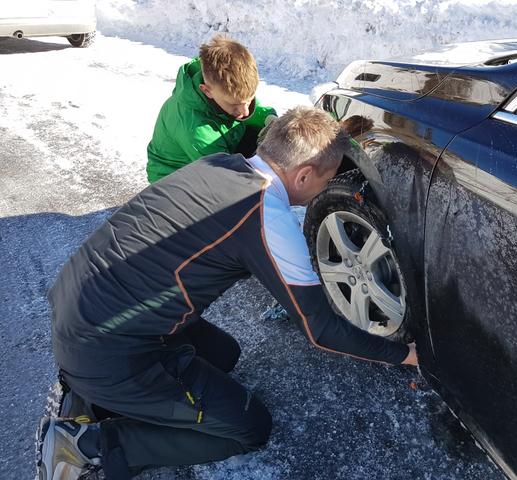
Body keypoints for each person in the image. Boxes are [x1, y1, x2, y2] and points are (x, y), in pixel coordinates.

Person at [37, 106, 417, 480]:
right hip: (110, 351)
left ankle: (95, 397)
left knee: (224, 354)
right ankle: (89, 443)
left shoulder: (220, 164)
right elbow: (320, 331)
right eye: (327, 178)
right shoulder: (264, 214)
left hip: (81, 308)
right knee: (249, 426)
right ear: (303, 175)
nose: (325, 187)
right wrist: (405, 355)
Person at [146, 35, 276, 183]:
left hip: (210, 156)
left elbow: (251, 111)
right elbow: (223, 174)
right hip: (174, 184)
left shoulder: (226, 92)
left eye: (249, 100)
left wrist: (268, 119)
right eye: (235, 105)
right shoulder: (194, 128)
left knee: (265, 134)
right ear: (207, 91)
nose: (245, 111)